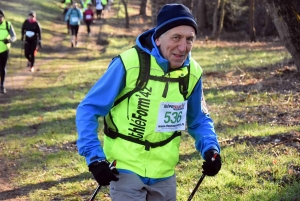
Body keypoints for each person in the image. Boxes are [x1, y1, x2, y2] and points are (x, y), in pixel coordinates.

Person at [76, 4, 222, 201]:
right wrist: (95, 158)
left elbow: (199, 120)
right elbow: (88, 109)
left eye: (190, 39)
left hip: (164, 171)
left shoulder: (192, 73)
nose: (183, 47)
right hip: (125, 167)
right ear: (158, 38)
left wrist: (211, 149)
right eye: (176, 37)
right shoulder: (129, 63)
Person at [0, 9, 16, 94]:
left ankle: (2, 85)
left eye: (0, 17)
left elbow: (14, 36)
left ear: (3, 17)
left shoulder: (7, 24)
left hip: (4, 50)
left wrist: (9, 40)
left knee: (2, 68)